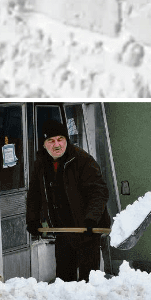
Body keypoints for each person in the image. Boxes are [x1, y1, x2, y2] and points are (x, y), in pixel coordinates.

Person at [26, 119, 112, 282]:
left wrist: (91, 219)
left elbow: (99, 192)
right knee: (64, 280)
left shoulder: (82, 160)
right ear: (44, 144)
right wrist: (32, 220)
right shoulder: (41, 164)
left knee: (89, 280)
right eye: (51, 141)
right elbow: (34, 194)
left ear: (66, 140)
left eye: (60, 139)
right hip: (63, 230)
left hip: (87, 230)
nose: (56, 145)